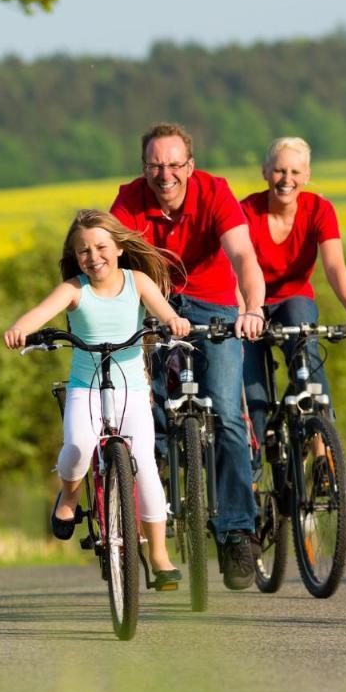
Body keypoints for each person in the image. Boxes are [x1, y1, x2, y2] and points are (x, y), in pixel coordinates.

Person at [110, 122, 266, 590]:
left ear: (190, 166)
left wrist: (253, 308)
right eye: (156, 165)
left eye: (175, 164)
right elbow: (108, 259)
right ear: (144, 167)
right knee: (144, 413)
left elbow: (243, 256)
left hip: (214, 303)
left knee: (228, 415)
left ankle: (238, 531)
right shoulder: (129, 200)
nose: (165, 174)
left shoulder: (215, 192)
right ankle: (152, 517)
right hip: (155, 304)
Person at [4, 209, 191, 590]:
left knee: (146, 467)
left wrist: (175, 323)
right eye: (83, 251)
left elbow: (166, 313)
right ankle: (69, 497)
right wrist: (20, 330)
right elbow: (40, 313)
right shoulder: (75, 289)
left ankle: (158, 556)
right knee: (78, 445)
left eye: (101, 247)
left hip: (132, 391)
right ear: (76, 257)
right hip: (85, 388)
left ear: (119, 248)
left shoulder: (138, 282)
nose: (93, 257)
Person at [240, 137, 346, 472]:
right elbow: (233, 268)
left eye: (294, 171)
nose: (286, 178)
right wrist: (244, 313)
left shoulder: (319, 209)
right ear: (265, 172)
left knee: (305, 342)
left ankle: (322, 448)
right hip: (250, 302)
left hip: (293, 298)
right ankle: (252, 482)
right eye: (279, 170)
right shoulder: (246, 211)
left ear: (306, 175)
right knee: (253, 393)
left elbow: (335, 268)